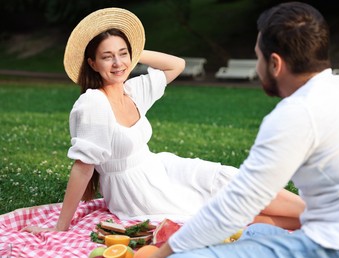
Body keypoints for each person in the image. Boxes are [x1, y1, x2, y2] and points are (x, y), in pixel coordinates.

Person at [22, 7, 304, 234]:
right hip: (136, 190)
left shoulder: (133, 89)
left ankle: (326, 215)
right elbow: (83, 168)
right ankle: (330, 217)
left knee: (228, 179)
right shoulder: (93, 104)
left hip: (160, 166)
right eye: (107, 57)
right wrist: (61, 226)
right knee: (226, 212)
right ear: (93, 63)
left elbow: (176, 65)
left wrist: (133, 50)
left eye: (123, 55)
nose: (118, 63)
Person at [151, 2, 339, 258]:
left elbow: (234, 207)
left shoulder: (297, 112)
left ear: (275, 63)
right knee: (256, 233)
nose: (257, 66)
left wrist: (161, 254)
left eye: (258, 57)